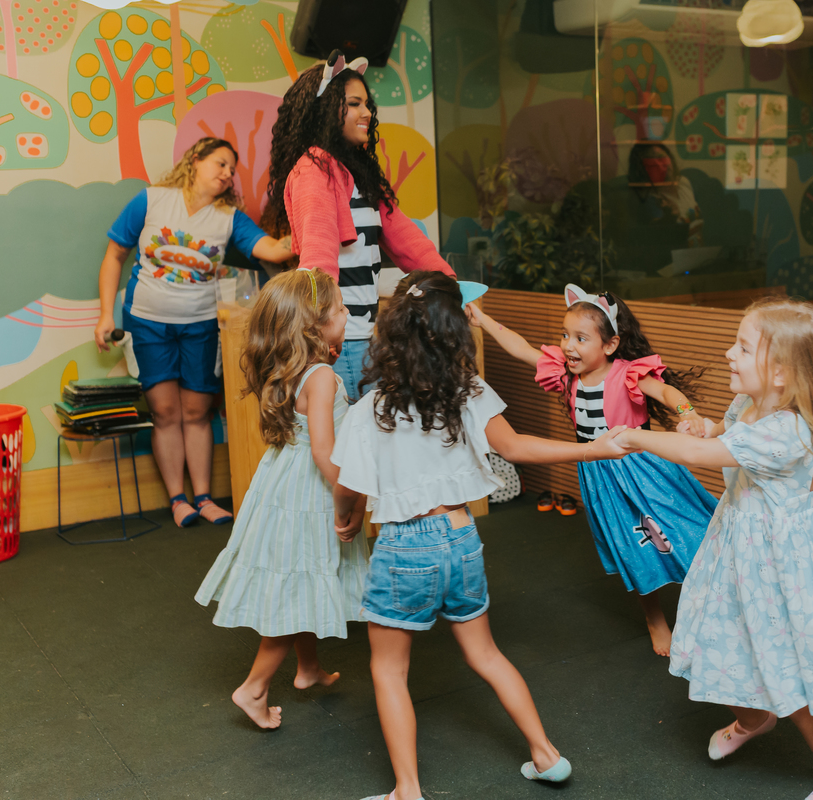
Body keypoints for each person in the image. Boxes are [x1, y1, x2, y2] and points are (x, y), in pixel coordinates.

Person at [330, 271, 626, 800]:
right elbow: (516, 448)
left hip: (405, 547)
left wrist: (346, 516)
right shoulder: (469, 390)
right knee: (486, 655)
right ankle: (545, 753)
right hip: (462, 537)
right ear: (454, 332)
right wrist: (592, 448)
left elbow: (348, 486)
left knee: (389, 671)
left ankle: (407, 791)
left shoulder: (369, 409)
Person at [611, 299, 813, 800]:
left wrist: (640, 437)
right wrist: (707, 425)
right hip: (737, 547)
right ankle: (753, 719)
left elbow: (700, 455)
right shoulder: (752, 404)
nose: (729, 354)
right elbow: (718, 435)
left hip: (777, 566)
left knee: (784, 665)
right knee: (722, 644)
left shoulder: (787, 431)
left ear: (782, 377)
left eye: (743, 348)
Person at [469, 284, 717, 656]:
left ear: (610, 345)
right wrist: (483, 318)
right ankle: (655, 619)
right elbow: (520, 347)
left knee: (687, 531)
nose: (569, 345)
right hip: (601, 476)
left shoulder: (626, 374)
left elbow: (667, 393)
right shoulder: (567, 375)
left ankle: (713, 608)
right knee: (631, 546)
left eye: (581, 338)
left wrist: (689, 413)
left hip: (645, 468)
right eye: (565, 335)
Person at [194, 269, 369, 730]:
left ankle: (307, 668)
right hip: (310, 492)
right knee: (300, 584)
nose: (347, 314)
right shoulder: (324, 376)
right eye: (338, 310)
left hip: (280, 486)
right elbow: (325, 452)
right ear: (314, 327)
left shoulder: (290, 368)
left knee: (302, 578)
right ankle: (253, 688)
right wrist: (345, 502)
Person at [95, 137, 296, 528]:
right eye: (220, 163)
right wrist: (105, 314)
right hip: (146, 322)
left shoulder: (228, 218)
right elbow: (114, 255)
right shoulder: (150, 201)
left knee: (197, 412)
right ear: (195, 161)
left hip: (201, 326)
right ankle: (178, 500)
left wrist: (311, 222)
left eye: (231, 170)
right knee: (165, 412)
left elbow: (272, 251)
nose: (227, 174)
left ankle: (203, 498)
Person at [261, 51, 455, 402]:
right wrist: (325, 337)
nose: (367, 113)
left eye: (366, 104)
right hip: (340, 343)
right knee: (355, 450)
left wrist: (451, 287)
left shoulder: (357, 173)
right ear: (325, 108)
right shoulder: (314, 170)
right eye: (354, 104)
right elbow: (318, 260)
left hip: (364, 337)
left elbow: (408, 241)